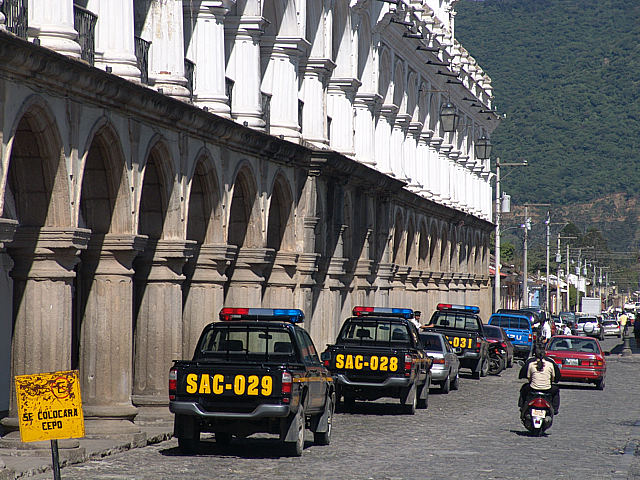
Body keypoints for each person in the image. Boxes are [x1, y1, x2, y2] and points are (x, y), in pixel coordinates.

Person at [518, 346, 560, 415]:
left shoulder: (531, 363)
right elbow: (554, 377)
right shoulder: (550, 363)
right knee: (556, 390)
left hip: (533, 388)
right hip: (547, 389)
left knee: (524, 388)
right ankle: (555, 409)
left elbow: (529, 377)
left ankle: (522, 406)